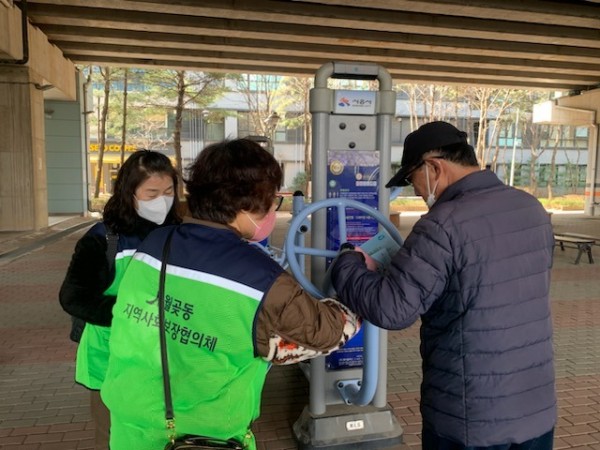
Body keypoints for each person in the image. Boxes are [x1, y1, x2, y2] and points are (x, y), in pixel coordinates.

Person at [101, 138, 361, 450]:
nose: (271, 212)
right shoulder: (259, 278)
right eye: (272, 202)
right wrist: (358, 280)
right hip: (204, 438)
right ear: (248, 204)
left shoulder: (155, 243)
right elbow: (327, 332)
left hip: (131, 427)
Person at [330, 121, 556, 449]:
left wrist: (347, 263)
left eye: (412, 179)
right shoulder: (531, 208)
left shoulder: (442, 224)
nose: (417, 191)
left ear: (433, 167)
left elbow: (392, 309)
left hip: (470, 415)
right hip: (534, 407)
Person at [59, 150, 181, 450]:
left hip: (163, 356)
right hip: (111, 358)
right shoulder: (103, 239)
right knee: (113, 436)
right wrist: (130, 315)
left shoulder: (178, 233)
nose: (162, 201)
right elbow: (73, 297)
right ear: (130, 193)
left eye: (168, 192)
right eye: (152, 192)